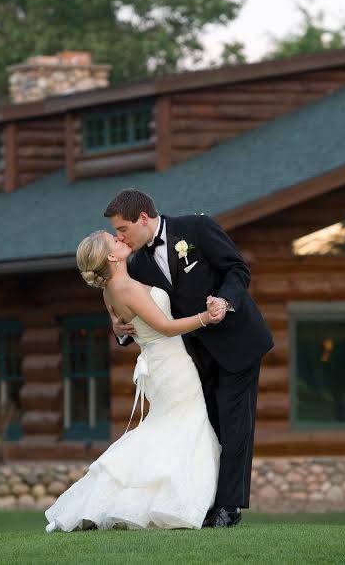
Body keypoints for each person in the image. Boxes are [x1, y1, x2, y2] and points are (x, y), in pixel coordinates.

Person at [105, 189, 273, 528]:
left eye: (122, 228)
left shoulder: (197, 229)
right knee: (208, 425)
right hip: (193, 357)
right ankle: (205, 500)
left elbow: (237, 269)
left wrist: (224, 301)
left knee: (234, 422)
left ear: (142, 218)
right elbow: (137, 310)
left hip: (238, 341)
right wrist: (121, 328)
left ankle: (228, 508)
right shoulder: (136, 265)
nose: (118, 236)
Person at [44, 230, 222, 532]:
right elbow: (165, 327)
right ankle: (168, 504)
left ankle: (135, 499)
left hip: (157, 366)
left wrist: (118, 327)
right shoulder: (125, 287)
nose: (120, 239)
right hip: (172, 365)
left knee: (167, 428)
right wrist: (207, 317)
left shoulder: (109, 290)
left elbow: (123, 326)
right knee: (185, 428)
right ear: (111, 257)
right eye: (114, 241)